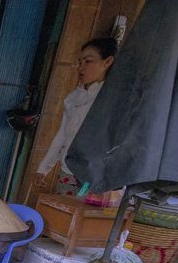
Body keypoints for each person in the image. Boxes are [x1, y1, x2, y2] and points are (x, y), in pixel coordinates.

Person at [34, 37, 118, 200]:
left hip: (96, 179)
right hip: (68, 172)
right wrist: (43, 168)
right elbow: (62, 135)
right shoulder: (73, 98)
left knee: (85, 220)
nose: (80, 67)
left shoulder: (111, 100)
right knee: (63, 214)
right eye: (80, 61)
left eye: (88, 61)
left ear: (107, 62)